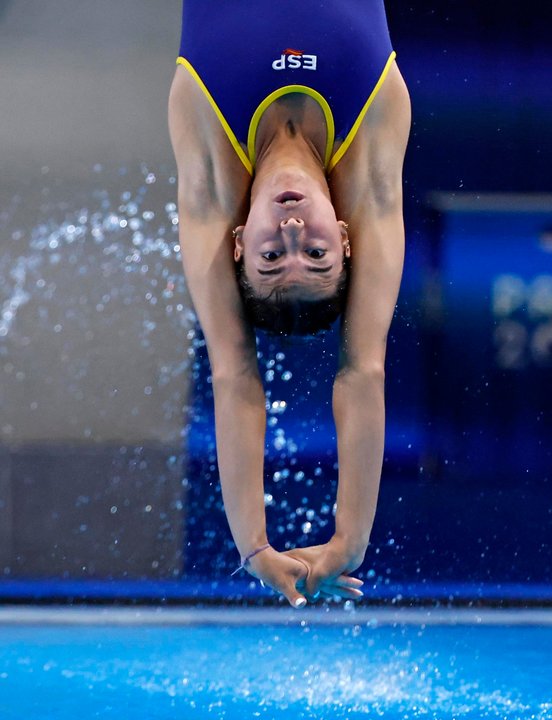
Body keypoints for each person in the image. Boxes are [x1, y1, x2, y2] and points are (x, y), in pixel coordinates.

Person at [168, 0, 411, 608]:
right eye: (319, 258)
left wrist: (252, 546)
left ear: (237, 243)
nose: (294, 232)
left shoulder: (212, 173)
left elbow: (233, 372)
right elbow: (363, 368)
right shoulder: (371, 167)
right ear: (349, 240)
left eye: (271, 258)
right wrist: (350, 538)